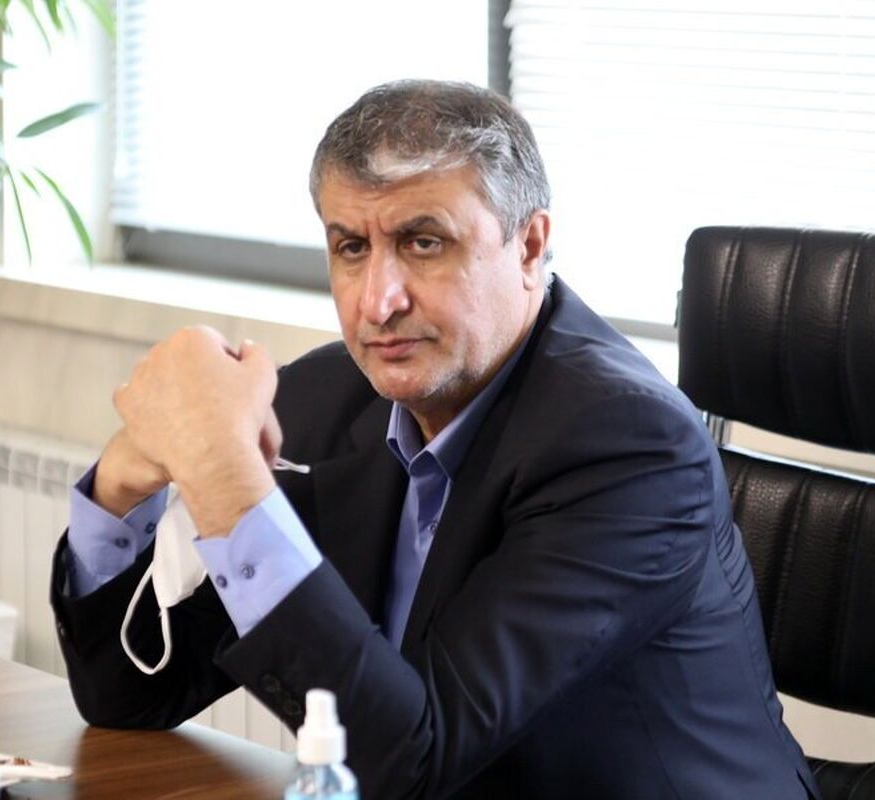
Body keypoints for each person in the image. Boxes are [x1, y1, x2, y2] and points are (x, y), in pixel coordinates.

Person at [50, 80, 820, 799]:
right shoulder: (327, 401)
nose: (377, 302)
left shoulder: (630, 448)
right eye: (351, 248)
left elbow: (416, 762)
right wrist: (121, 488)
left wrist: (225, 480)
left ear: (529, 246)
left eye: (424, 243)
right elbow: (130, 695)